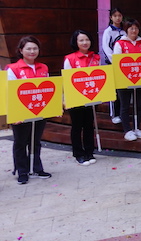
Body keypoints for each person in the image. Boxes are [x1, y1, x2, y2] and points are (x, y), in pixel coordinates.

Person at [5, 36, 53, 185]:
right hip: (20, 112)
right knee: (20, 142)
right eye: (28, 49)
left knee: (35, 141)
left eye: (35, 48)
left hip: (40, 110)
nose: (32, 51)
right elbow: (10, 93)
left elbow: (47, 88)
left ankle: (36, 168)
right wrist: (14, 115)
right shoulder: (12, 69)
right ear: (21, 50)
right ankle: (22, 171)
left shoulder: (43, 68)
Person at [64, 30, 101, 166]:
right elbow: (67, 80)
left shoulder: (96, 57)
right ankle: (78, 153)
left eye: (87, 39)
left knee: (89, 125)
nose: (85, 42)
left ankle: (89, 151)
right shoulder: (70, 59)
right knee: (77, 126)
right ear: (76, 42)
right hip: (76, 98)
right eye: (81, 40)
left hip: (91, 96)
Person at [113, 19, 141, 141]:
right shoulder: (120, 44)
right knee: (125, 105)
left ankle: (137, 128)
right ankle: (127, 130)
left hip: (140, 78)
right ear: (126, 30)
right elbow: (117, 62)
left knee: (138, 105)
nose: (134, 31)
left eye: (136, 28)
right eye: (131, 28)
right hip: (124, 80)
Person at [101, 8, 126, 123]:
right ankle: (114, 114)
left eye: (119, 15)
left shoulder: (124, 30)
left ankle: (122, 113)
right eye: (115, 16)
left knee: (123, 90)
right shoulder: (108, 31)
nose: (118, 18)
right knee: (115, 90)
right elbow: (106, 48)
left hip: (124, 65)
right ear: (111, 17)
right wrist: (115, 60)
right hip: (112, 64)